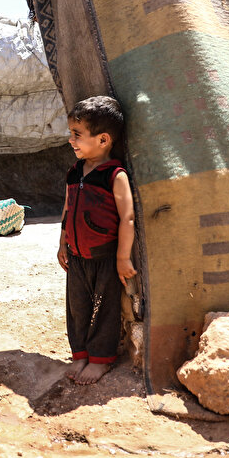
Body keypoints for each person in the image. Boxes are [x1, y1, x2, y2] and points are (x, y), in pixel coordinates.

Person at [58, 95, 137, 385]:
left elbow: (127, 218)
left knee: (104, 309)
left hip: (104, 257)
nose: (71, 140)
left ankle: (101, 359)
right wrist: (62, 241)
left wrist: (122, 257)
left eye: (77, 135)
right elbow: (68, 207)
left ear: (103, 140)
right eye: (71, 134)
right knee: (76, 306)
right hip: (77, 256)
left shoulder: (115, 175)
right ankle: (80, 354)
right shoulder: (75, 171)